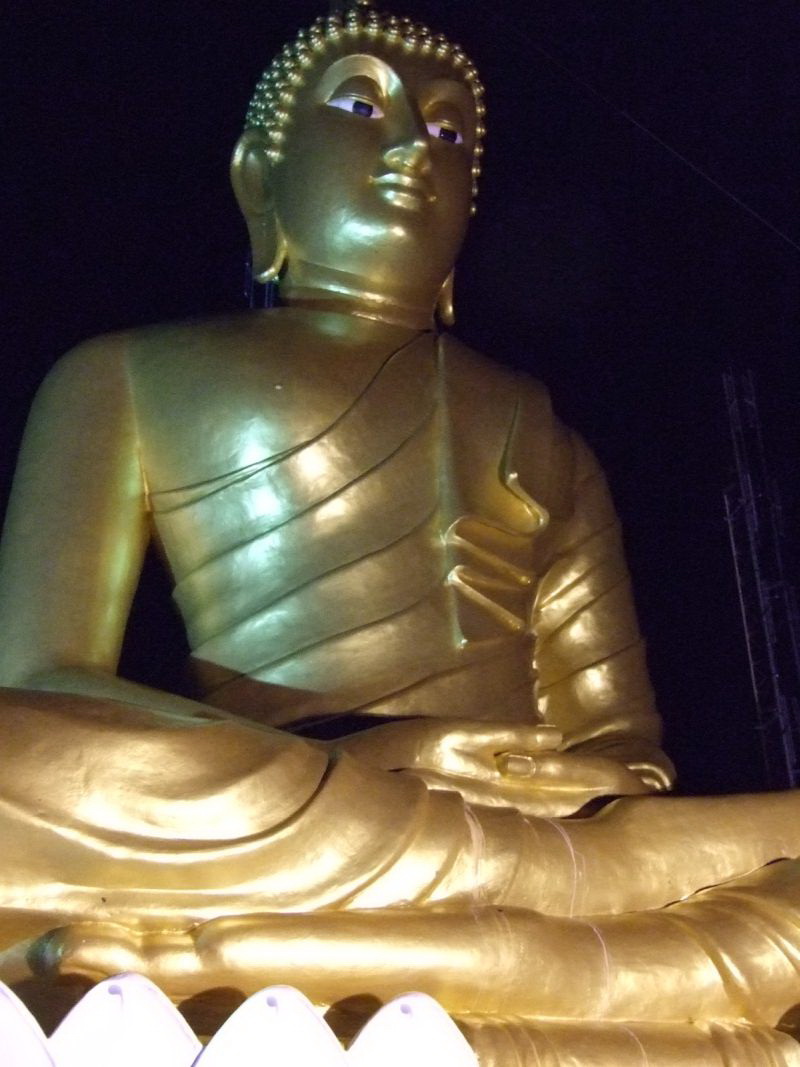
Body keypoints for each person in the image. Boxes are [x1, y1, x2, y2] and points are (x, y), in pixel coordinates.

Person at [0, 5, 798, 1064]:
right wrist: (381, 757)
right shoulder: (124, 375)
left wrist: (576, 789)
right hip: (293, 806)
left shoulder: (544, 431)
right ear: (257, 176)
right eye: (358, 103)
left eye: (449, 130)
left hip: (530, 839)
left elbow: (623, 748)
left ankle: (413, 940)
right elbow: (44, 675)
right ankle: (562, 957)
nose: (410, 148)